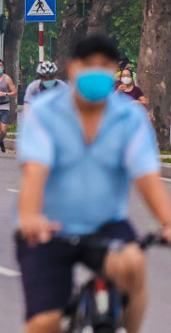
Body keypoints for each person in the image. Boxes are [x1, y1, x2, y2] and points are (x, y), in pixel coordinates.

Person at [15, 35, 171, 333]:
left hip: (105, 225)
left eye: (105, 66)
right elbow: (35, 171)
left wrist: (167, 221)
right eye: (89, 65)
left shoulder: (129, 116)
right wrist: (31, 217)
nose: (97, 72)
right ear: (73, 68)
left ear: (114, 71)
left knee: (133, 262)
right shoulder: (45, 113)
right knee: (45, 322)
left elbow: (147, 177)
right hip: (47, 228)